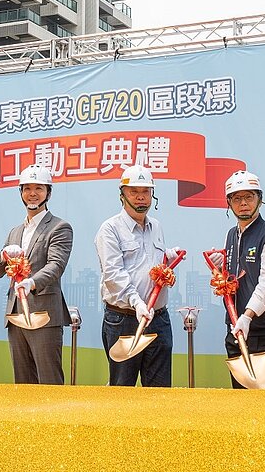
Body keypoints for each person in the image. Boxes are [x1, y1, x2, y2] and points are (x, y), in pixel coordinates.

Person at [94, 165, 183, 387]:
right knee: (122, 390)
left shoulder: (156, 227)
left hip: (159, 318)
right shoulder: (110, 229)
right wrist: (137, 303)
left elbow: (149, 264)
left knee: (159, 392)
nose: (141, 198)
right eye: (134, 192)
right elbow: (114, 274)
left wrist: (168, 259)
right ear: (122, 195)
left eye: (146, 191)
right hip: (124, 319)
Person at [0, 164, 72, 385]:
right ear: (21, 192)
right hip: (15, 316)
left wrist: (31, 282)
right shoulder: (15, 232)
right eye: (27, 188)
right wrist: (3, 256)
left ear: (48, 192)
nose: (32, 194)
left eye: (39, 188)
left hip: (44, 314)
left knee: (49, 382)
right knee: (22, 383)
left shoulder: (59, 227)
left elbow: (56, 265)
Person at [213, 170, 265, 389]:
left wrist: (247, 316)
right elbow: (235, 279)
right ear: (228, 202)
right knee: (242, 402)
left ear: (260, 199)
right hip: (236, 331)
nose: (243, 203)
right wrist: (220, 270)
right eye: (237, 198)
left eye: (249, 197)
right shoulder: (231, 235)